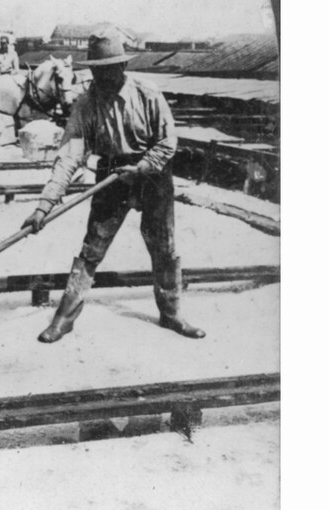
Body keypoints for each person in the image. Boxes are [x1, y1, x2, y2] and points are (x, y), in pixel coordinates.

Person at [22, 31, 205, 342]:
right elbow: (69, 157)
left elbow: (168, 141)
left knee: (164, 247)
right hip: (111, 175)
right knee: (91, 248)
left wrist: (142, 167)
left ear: (122, 66)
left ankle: (172, 313)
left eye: (109, 68)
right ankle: (63, 320)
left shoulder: (147, 93)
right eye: (97, 69)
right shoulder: (86, 104)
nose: (102, 75)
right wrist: (44, 206)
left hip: (152, 173)